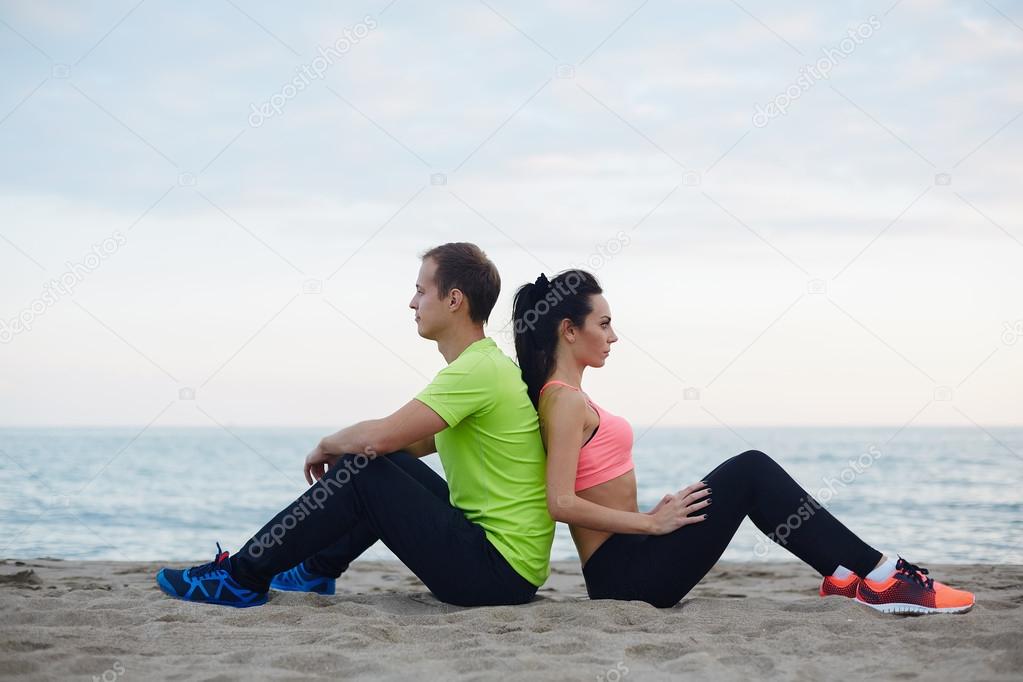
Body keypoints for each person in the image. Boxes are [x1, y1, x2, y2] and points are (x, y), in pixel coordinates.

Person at [511, 269, 975, 615]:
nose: (614, 336)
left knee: (752, 473)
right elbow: (560, 502)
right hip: (624, 576)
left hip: (631, 558)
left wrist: (649, 518)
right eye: (604, 323)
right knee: (751, 470)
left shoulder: (571, 397)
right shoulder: (564, 401)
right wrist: (651, 525)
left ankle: (847, 576)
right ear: (569, 330)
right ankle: (880, 575)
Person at [156, 243, 555, 607]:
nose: (411, 302)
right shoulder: (487, 366)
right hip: (503, 566)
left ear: (454, 300)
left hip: (495, 572)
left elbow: (380, 436)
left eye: (420, 290)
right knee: (376, 463)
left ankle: (241, 577)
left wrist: (328, 444)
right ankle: (316, 571)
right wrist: (355, 453)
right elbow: (403, 447)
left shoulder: (477, 371)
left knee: (366, 465)